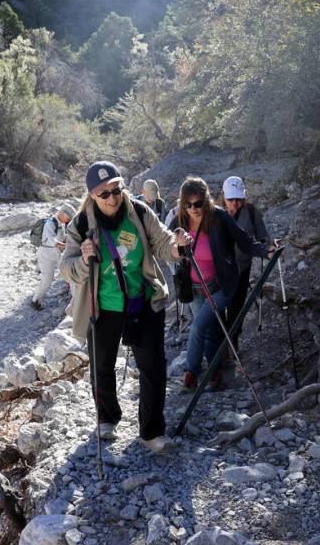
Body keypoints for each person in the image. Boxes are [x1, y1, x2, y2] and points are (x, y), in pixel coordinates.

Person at [60, 161, 192, 454]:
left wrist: (178, 246)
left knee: (154, 368)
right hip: (102, 306)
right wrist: (83, 259)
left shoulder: (140, 212)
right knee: (102, 367)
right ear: (93, 196)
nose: (112, 197)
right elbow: (66, 269)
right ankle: (107, 418)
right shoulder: (81, 225)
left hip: (142, 301)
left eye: (116, 189)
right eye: (104, 193)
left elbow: (163, 242)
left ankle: (152, 432)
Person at [172, 177, 271, 392]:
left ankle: (190, 374)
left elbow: (245, 241)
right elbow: (166, 244)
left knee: (198, 326)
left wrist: (266, 251)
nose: (193, 209)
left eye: (197, 204)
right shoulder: (179, 219)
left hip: (221, 285)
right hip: (195, 287)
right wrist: (177, 246)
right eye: (187, 204)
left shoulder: (219, 217)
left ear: (206, 201)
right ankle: (216, 374)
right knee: (208, 330)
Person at [220, 176, 269, 352]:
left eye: (238, 199)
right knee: (219, 307)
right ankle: (222, 345)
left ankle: (233, 342)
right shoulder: (216, 213)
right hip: (220, 271)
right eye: (231, 199)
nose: (234, 203)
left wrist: (266, 246)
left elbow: (262, 235)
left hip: (242, 268)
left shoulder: (250, 211)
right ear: (223, 196)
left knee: (236, 306)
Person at [31, 204, 75, 310]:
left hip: (57, 254)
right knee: (47, 280)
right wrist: (68, 245)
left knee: (70, 273)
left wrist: (73, 237)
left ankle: (75, 299)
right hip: (46, 255)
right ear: (63, 214)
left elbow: (62, 237)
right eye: (68, 218)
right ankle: (35, 300)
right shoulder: (50, 223)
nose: (68, 220)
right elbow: (53, 241)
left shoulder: (61, 224)